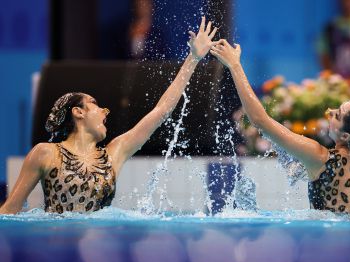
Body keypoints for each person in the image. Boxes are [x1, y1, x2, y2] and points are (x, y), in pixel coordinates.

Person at [0, 17, 218, 214]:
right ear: (78, 112)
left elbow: (161, 111)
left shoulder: (114, 153)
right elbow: (11, 208)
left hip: (99, 246)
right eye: (95, 104)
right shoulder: (45, 153)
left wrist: (193, 58)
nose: (105, 111)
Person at [210, 39, 350, 220]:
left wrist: (235, 66)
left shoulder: (320, 158)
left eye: (337, 115)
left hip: (321, 244)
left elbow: (260, 120)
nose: (329, 112)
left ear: (345, 135)